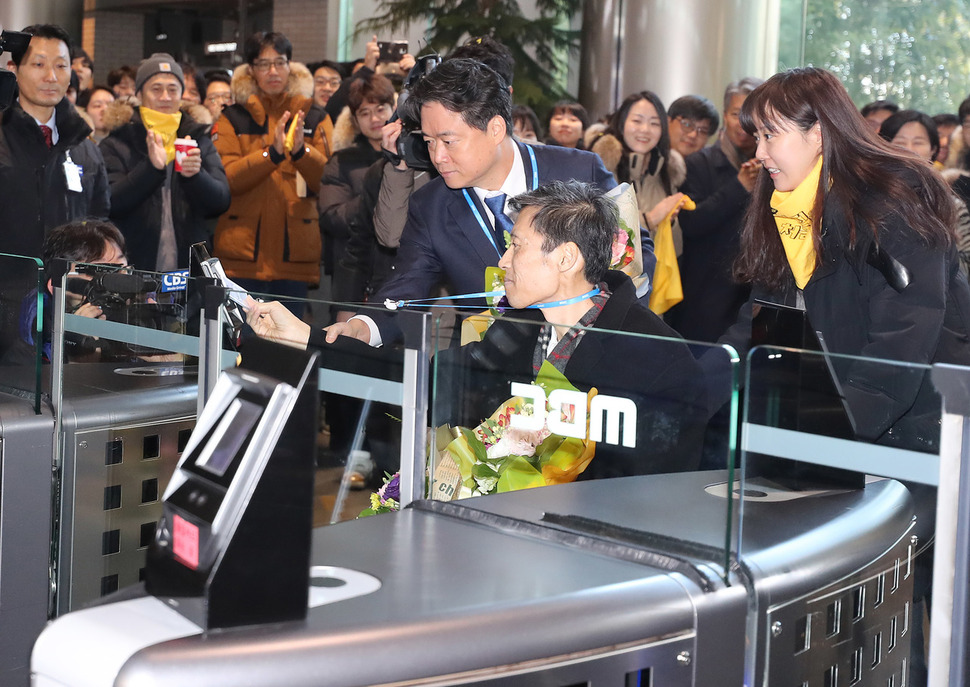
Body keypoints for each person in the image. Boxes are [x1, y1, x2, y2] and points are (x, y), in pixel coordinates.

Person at [248, 180, 706, 478]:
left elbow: (658, 484)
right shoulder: (518, 330)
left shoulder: (653, 355)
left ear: (566, 259)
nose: (502, 262)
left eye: (516, 247)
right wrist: (305, 340)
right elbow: (422, 378)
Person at [723, 67, 970, 445]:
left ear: (818, 134)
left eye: (770, 135)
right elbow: (760, 319)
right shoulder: (788, 208)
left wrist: (829, 438)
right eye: (757, 136)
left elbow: (900, 342)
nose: (759, 152)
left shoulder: (892, 204)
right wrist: (691, 385)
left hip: (916, 436)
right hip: (834, 424)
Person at [325, 58, 621, 347]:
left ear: (495, 129)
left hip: (595, 355)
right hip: (491, 367)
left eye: (449, 141)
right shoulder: (431, 206)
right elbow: (406, 286)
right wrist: (362, 327)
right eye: (429, 142)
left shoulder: (580, 172)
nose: (437, 157)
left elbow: (633, 256)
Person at [212, 31, 334, 314]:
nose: (273, 71)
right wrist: (272, 154)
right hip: (242, 255)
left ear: (290, 66)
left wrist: (301, 152)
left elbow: (327, 182)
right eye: (264, 64)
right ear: (252, 70)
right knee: (239, 346)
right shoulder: (233, 117)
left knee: (288, 349)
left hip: (295, 255)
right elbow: (227, 179)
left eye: (280, 62)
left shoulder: (313, 116)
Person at [100, 53, 230, 272]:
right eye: (156, 89)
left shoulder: (197, 138)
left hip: (189, 274)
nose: (165, 97)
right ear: (139, 94)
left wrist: (195, 176)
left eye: (173, 89)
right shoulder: (118, 141)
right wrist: (150, 169)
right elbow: (109, 203)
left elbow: (221, 201)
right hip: (131, 268)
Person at [665, 76, 762, 342]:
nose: (742, 123)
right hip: (704, 296)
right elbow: (692, 224)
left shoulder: (772, 166)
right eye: (735, 114)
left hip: (753, 294)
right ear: (725, 115)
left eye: (751, 116)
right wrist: (739, 186)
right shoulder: (699, 163)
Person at [0, 24, 110, 259]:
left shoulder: (85, 147)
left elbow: (98, 221)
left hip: (68, 290)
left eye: (60, 66)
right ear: (13, 69)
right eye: (38, 64)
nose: (51, 77)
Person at [319, 73, 395, 307]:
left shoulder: (414, 159)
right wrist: (376, 196)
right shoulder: (342, 160)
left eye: (381, 109)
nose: (374, 118)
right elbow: (333, 217)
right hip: (354, 276)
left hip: (402, 274)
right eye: (364, 112)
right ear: (355, 120)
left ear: (394, 108)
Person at [587, 91, 687, 247]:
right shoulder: (601, 166)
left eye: (654, 123)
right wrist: (650, 219)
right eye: (637, 121)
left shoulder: (666, 171)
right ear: (622, 122)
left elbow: (676, 249)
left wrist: (669, 222)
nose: (645, 129)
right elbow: (595, 228)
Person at [879, 109, 970, 276]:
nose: (909, 149)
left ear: (933, 149)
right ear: (883, 145)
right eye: (900, 141)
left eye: (918, 142)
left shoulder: (950, 205)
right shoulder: (868, 199)